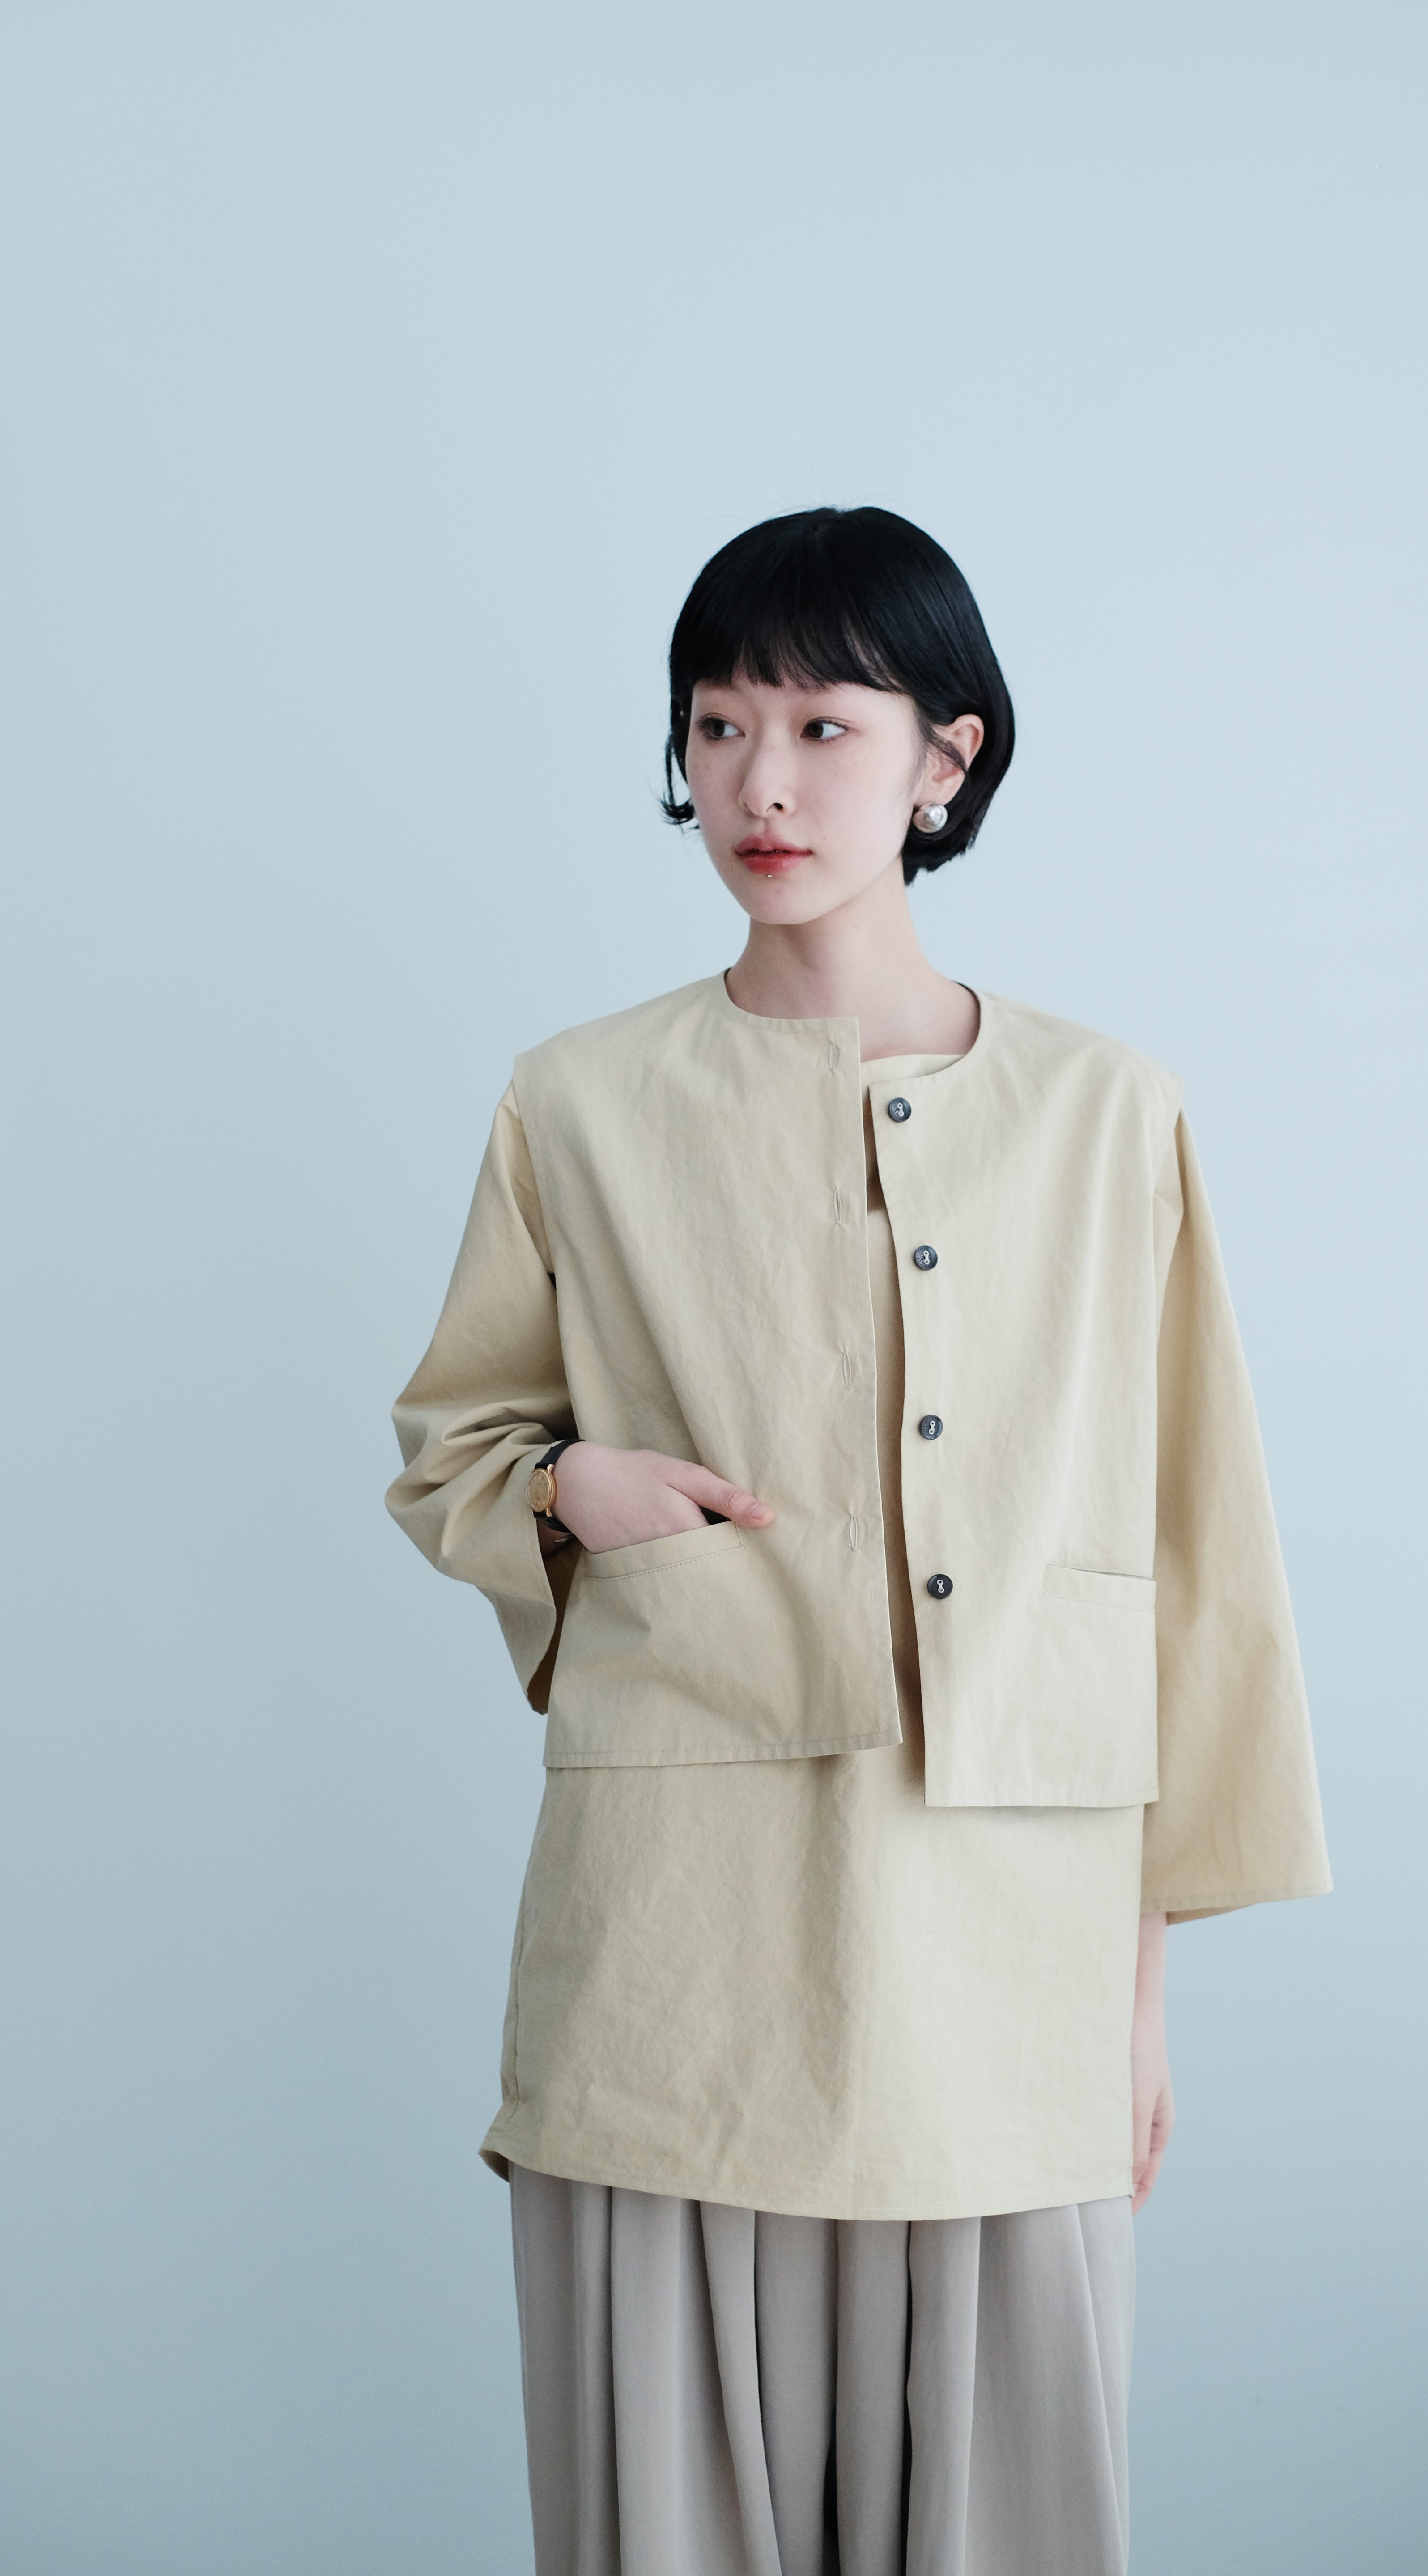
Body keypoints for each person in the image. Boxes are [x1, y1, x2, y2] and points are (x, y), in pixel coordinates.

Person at [386, 505, 1330, 2576]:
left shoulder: (1109, 1113)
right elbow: (456, 1440)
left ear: (944, 761)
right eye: (719, 724)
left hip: (1010, 1975)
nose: (764, 782)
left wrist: (1140, 2006)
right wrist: (566, 1485)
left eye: (826, 724)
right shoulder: (579, 1101)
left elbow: (1194, 1565)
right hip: (671, 1970)